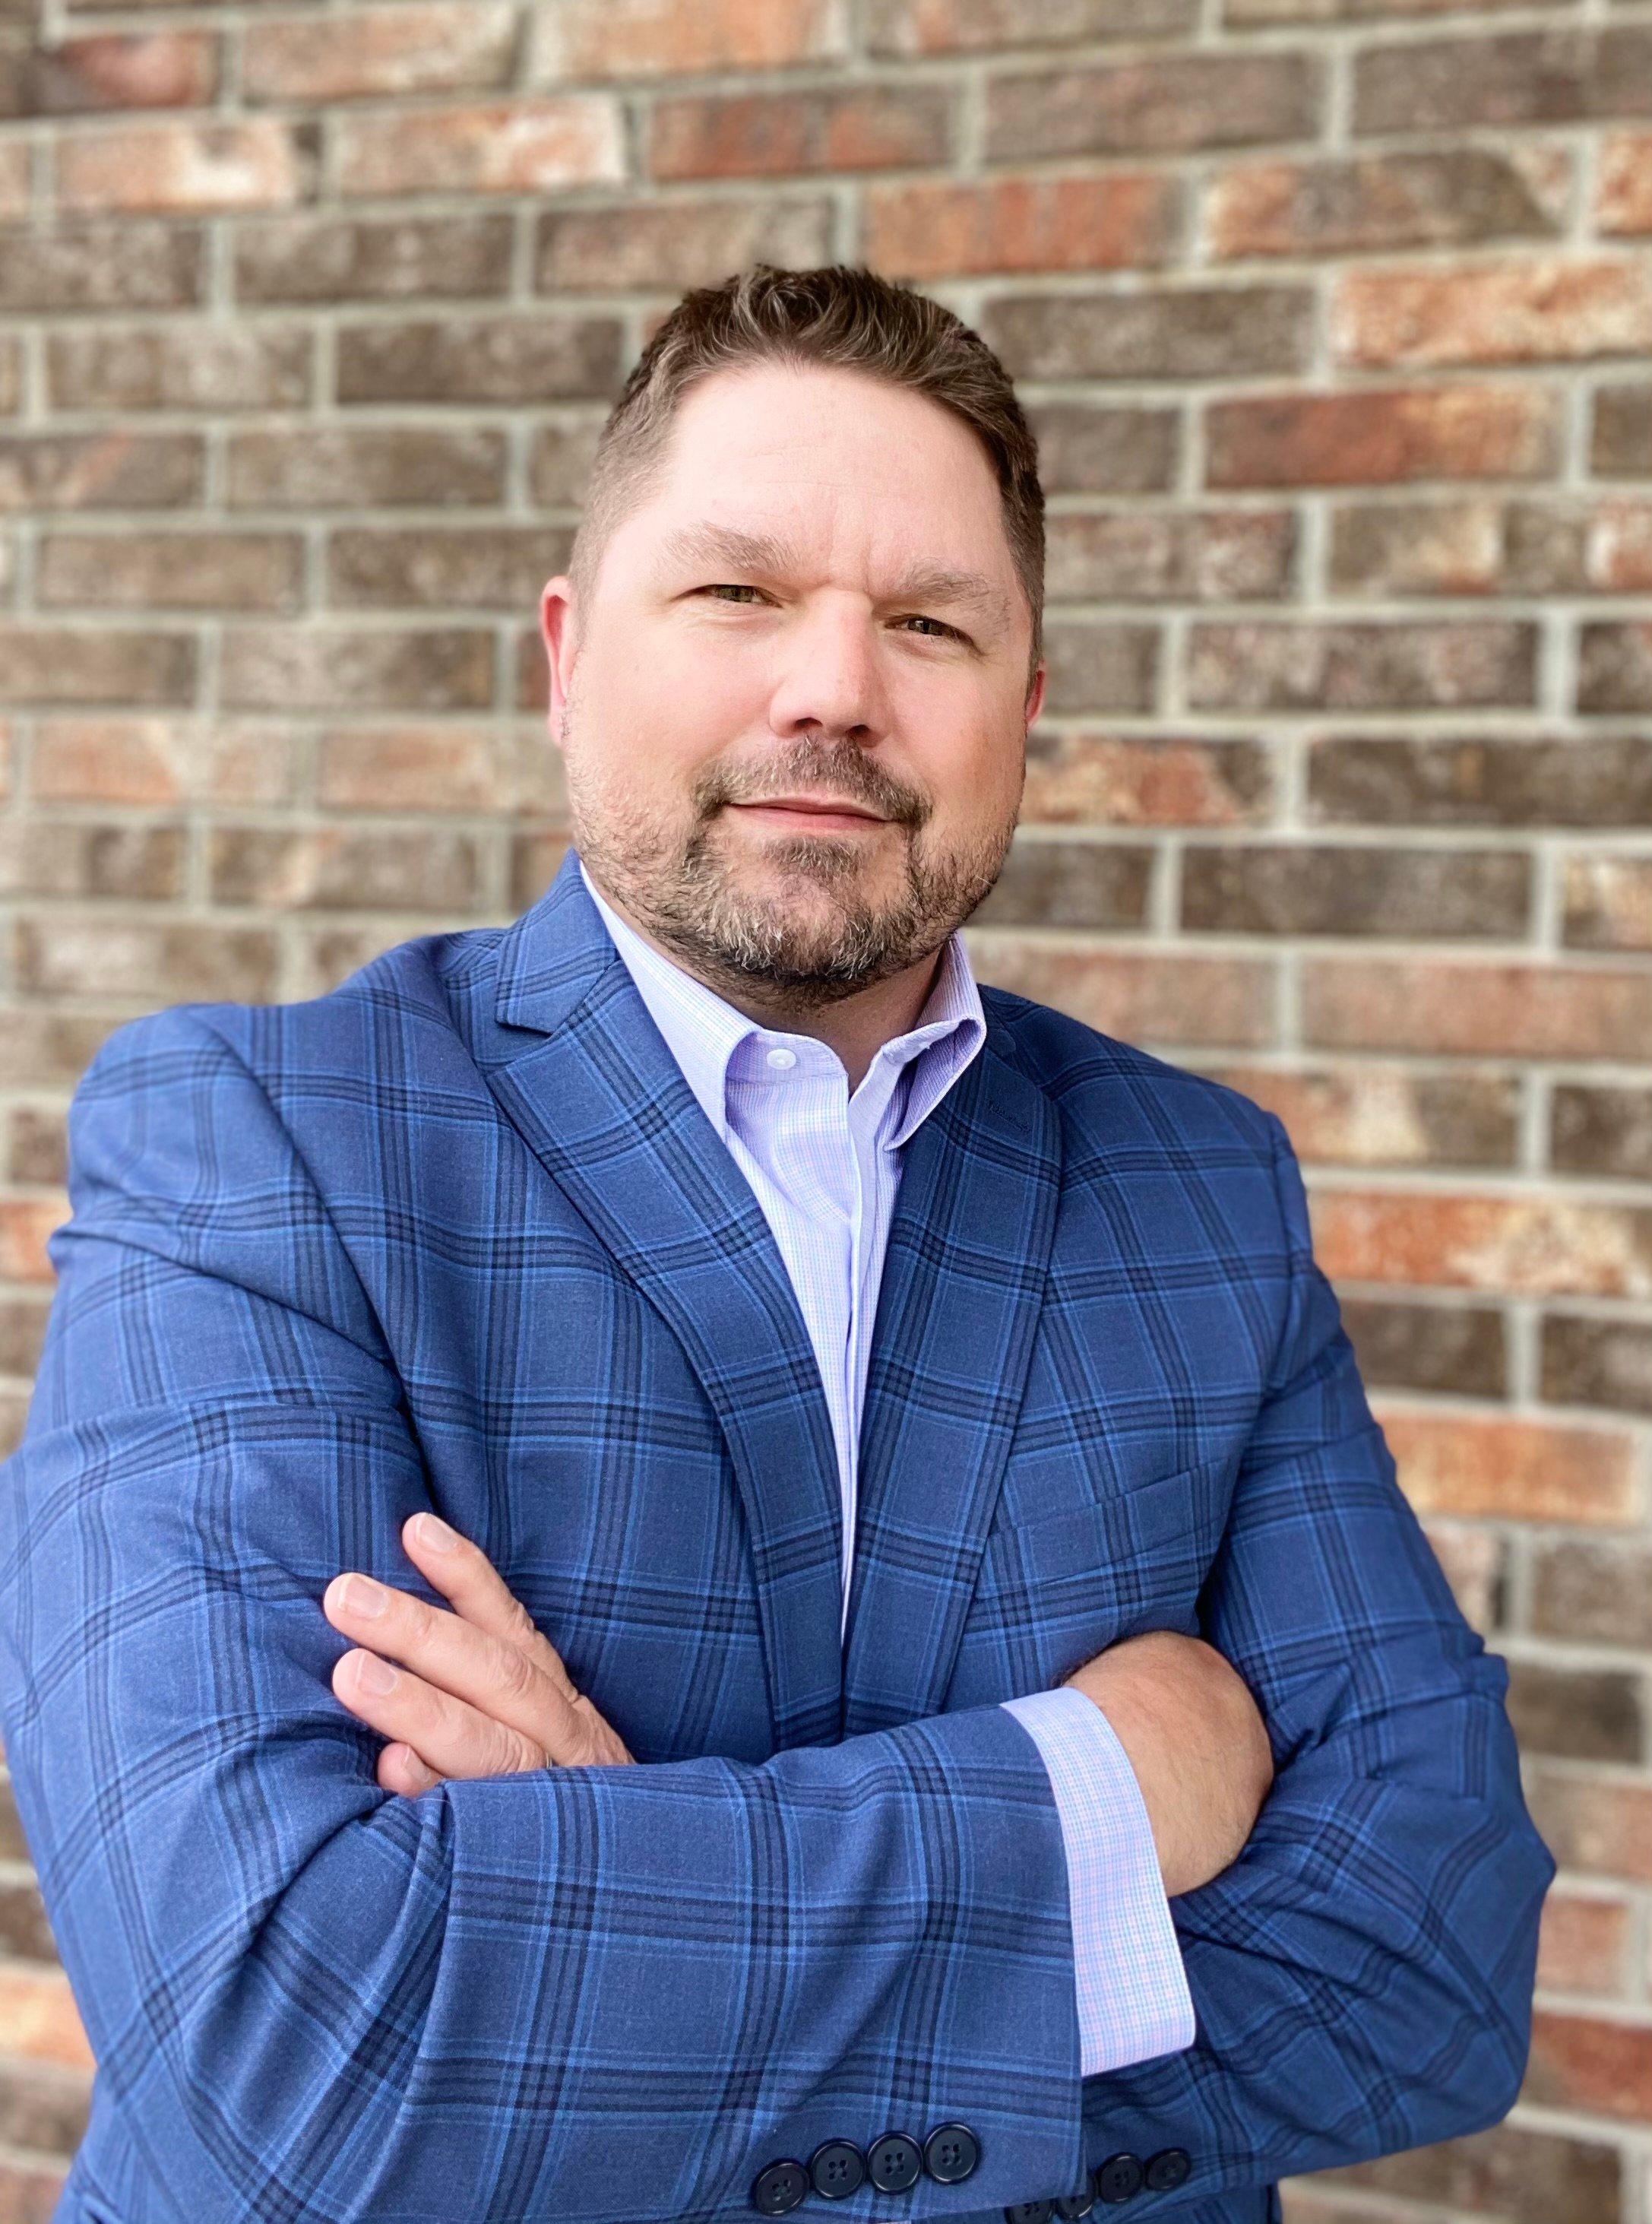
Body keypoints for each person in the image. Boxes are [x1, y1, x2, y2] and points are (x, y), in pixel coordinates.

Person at [0, 262, 1550, 2224]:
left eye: (930, 622)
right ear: (569, 654)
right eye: (738, 594)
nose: (833, 684)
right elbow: (285, 2040)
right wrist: (1092, 1792)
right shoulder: (262, 1143)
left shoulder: (1199, 1189)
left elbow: (1431, 1964)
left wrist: (604, 1899)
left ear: (1028, 708)